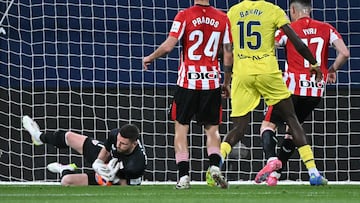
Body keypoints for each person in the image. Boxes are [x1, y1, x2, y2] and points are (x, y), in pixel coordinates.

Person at [218, 0, 327, 186]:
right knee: (291, 119)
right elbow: (296, 41)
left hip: (242, 73)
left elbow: (227, 48)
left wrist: (226, 80)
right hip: (268, 72)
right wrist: (314, 63)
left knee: (239, 127)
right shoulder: (273, 10)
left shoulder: (233, 11)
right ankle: (313, 171)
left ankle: (216, 165)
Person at [258, 0, 350, 186]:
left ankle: (271, 161)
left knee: (267, 125)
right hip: (316, 90)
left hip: (292, 89)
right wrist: (332, 69)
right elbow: (345, 53)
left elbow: (270, 46)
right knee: (293, 130)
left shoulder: (288, 29)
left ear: (293, 10)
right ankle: (278, 175)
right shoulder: (326, 28)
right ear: (310, 10)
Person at [142, 0, 233, 189]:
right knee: (212, 129)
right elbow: (228, 53)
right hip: (211, 82)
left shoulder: (184, 15)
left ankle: (184, 177)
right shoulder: (223, 18)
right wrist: (226, 82)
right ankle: (215, 167)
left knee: (181, 129)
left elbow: (169, 46)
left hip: (187, 82)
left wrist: (150, 57)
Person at [22, 115, 147, 186]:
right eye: (118, 141)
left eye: (123, 144)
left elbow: (127, 185)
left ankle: (64, 169)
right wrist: (98, 162)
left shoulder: (137, 164)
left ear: (134, 144)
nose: (118, 145)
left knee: (66, 182)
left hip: (116, 178)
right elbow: (107, 148)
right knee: (69, 136)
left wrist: (110, 178)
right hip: (108, 160)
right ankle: (38, 137)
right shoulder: (115, 134)